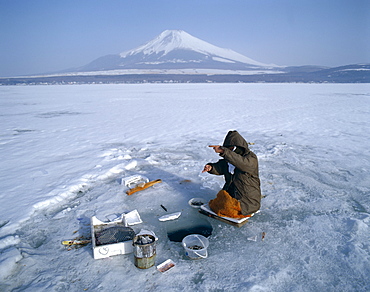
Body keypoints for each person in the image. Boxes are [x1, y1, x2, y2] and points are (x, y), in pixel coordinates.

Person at [202, 130, 261, 218]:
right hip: (232, 194)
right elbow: (221, 166)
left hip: (248, 200)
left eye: (231, 149)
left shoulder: (250, 158)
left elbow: (241, 162)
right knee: (218, 203)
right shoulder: (229, 159)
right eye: (228, 149)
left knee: (225, 208)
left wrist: (224, 152)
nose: (230, 151)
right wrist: (211, 167)